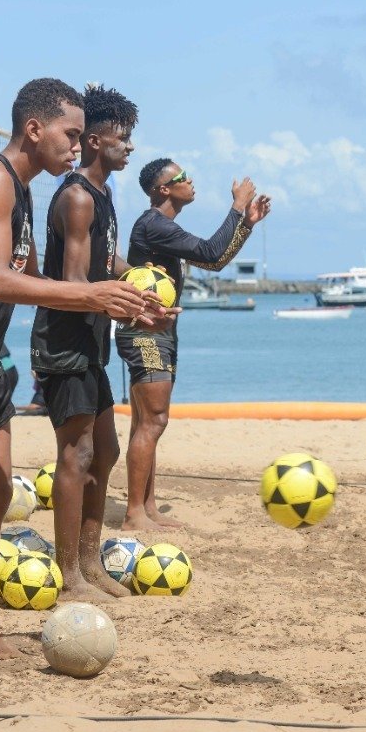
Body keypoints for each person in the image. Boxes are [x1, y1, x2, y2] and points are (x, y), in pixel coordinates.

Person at [0, 78, 159, 667]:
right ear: (34, 128)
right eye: (72, 133)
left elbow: (45, 288)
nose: (78, 144)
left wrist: (125, 298)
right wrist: (94, 295)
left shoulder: (21, 191)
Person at [30, 84, 156, 600]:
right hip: (64, 341)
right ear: (98, 140)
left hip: (91, 342)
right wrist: (118, 300)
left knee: (104, 452)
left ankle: (89, 562)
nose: (130, 148)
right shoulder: (78, 197)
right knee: (75, 454)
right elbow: (77, 286)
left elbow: (109, 265)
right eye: (123, 138)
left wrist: (147, 290)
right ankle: (68, 579)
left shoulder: (105, 193)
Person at [118, 158, 270, 530]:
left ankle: (147, 507)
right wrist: (237, 208)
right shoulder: (153, 225)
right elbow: (208, 252)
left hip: (160, 331)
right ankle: (134, 512)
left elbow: (215, 262)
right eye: (182, 177)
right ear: (164, 190)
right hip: (145, 333)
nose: (192, 181)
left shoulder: (162, 227)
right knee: (153, 421)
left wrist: (246, 224)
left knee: (146, 422)